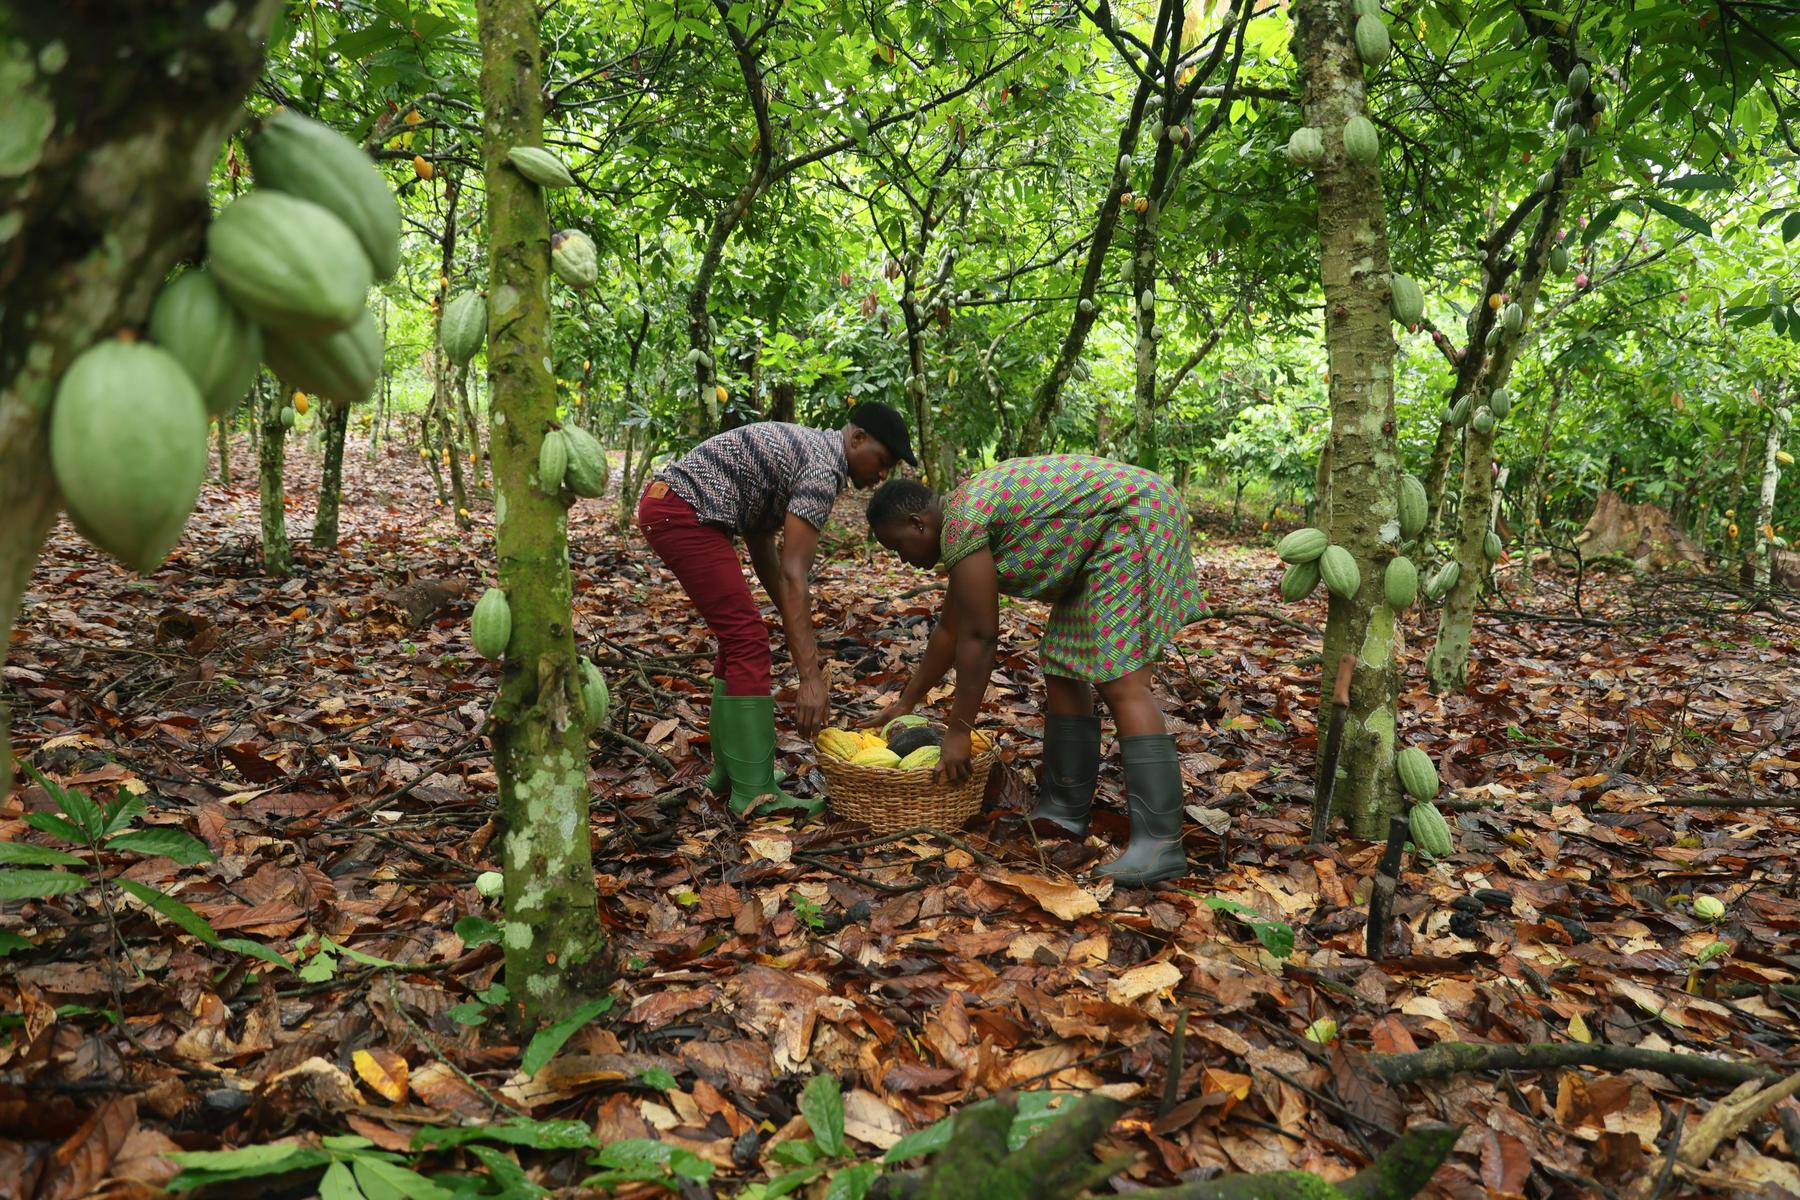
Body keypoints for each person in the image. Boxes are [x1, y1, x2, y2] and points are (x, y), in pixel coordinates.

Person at [864, 454, 1204, 885]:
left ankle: (1160, 844)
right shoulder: (960, 521)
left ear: (918, 524)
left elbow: (981, 637)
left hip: (1135, 519)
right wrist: (906, 702)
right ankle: (1064, 810)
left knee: (1120, 681)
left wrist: (958, 731)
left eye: (897, 547)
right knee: (1063, 663)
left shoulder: (962, 520)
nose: (902, 560)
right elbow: (951, 628)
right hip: (1101, 538)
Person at [638, 402, 915, 816]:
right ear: (856, 439)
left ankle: (731, 771)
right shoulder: (823, 469)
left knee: (740, 640)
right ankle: (754, 792)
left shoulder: (810, 453)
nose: (882, 476)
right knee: (748, 641)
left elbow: (763, 544)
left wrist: (791, 621)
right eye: (883, 461)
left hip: (670, 504)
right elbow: (793, 574)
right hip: (684, 511)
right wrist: (809, 677)